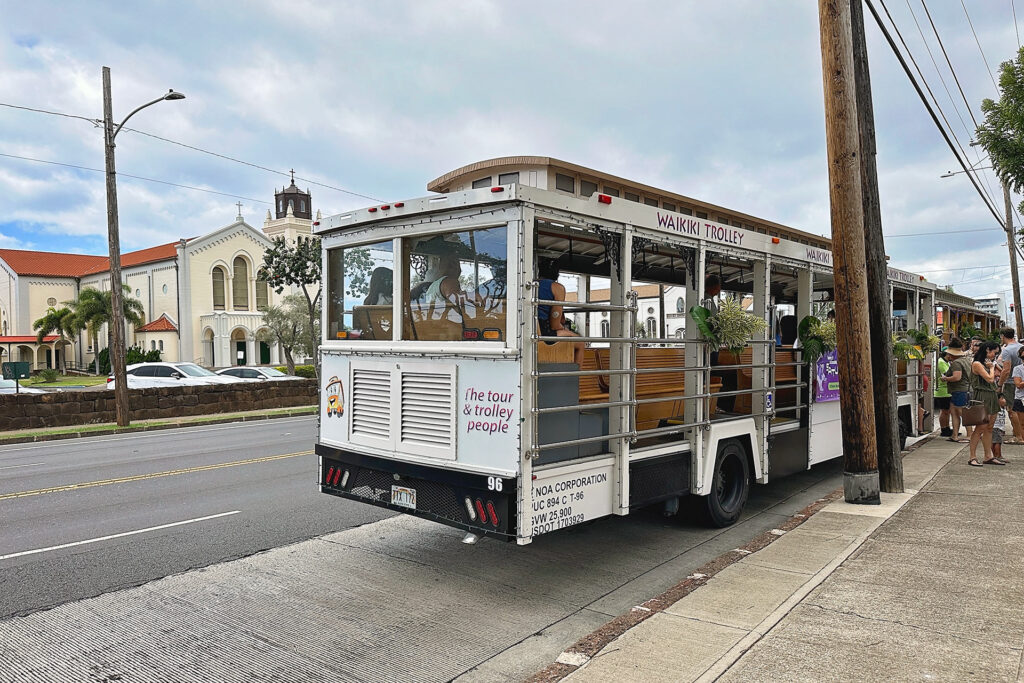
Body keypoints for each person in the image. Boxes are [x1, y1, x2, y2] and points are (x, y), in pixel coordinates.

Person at [537, 259, 583, 365]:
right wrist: (565, 329)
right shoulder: (557, 287)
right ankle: (574, 379)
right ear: (557, 273)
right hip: (544, 332)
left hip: (530, 330)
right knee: (580, 342)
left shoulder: (532, 284)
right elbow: (554, 325)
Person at [967, 341, 1004, 467]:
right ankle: (972, 456)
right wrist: (992, 368)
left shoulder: (987, 363)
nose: (995, 355)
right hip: (982, 396)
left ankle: (988, 455)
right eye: (994, 352)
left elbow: (1000, 373)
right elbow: (989, 378)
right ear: (987, 350)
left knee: (989, 427)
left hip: (991, 395)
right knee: (980, 427)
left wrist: (994, 366)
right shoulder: (977, 364)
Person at [996, 327, 1024, 443]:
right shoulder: (1020, 347)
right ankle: (1018, 433)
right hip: (1020, 382)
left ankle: (1018, 436)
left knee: (1012, 410)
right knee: (1020, 410)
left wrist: (1000, 384)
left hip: (1011, 382)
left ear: (1003, 336)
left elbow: (1006, 370)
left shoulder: (1007, 350)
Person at [943, 338, 972, 443]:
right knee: (955, 412)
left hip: (960, 390)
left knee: (961, 413)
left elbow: (957, 377)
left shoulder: (956, 363)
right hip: (965, 389)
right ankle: (954, 435)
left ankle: (969, 434)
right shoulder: (967, 360)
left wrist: (945, 378)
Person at [934, 347, 953, 437]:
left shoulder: (946, 362)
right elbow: (947, 374)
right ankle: (944, 428)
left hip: (947, 390)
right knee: (944, 410)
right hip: (942, 390)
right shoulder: (941, 362)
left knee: (947, 410)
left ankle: (947, 427)